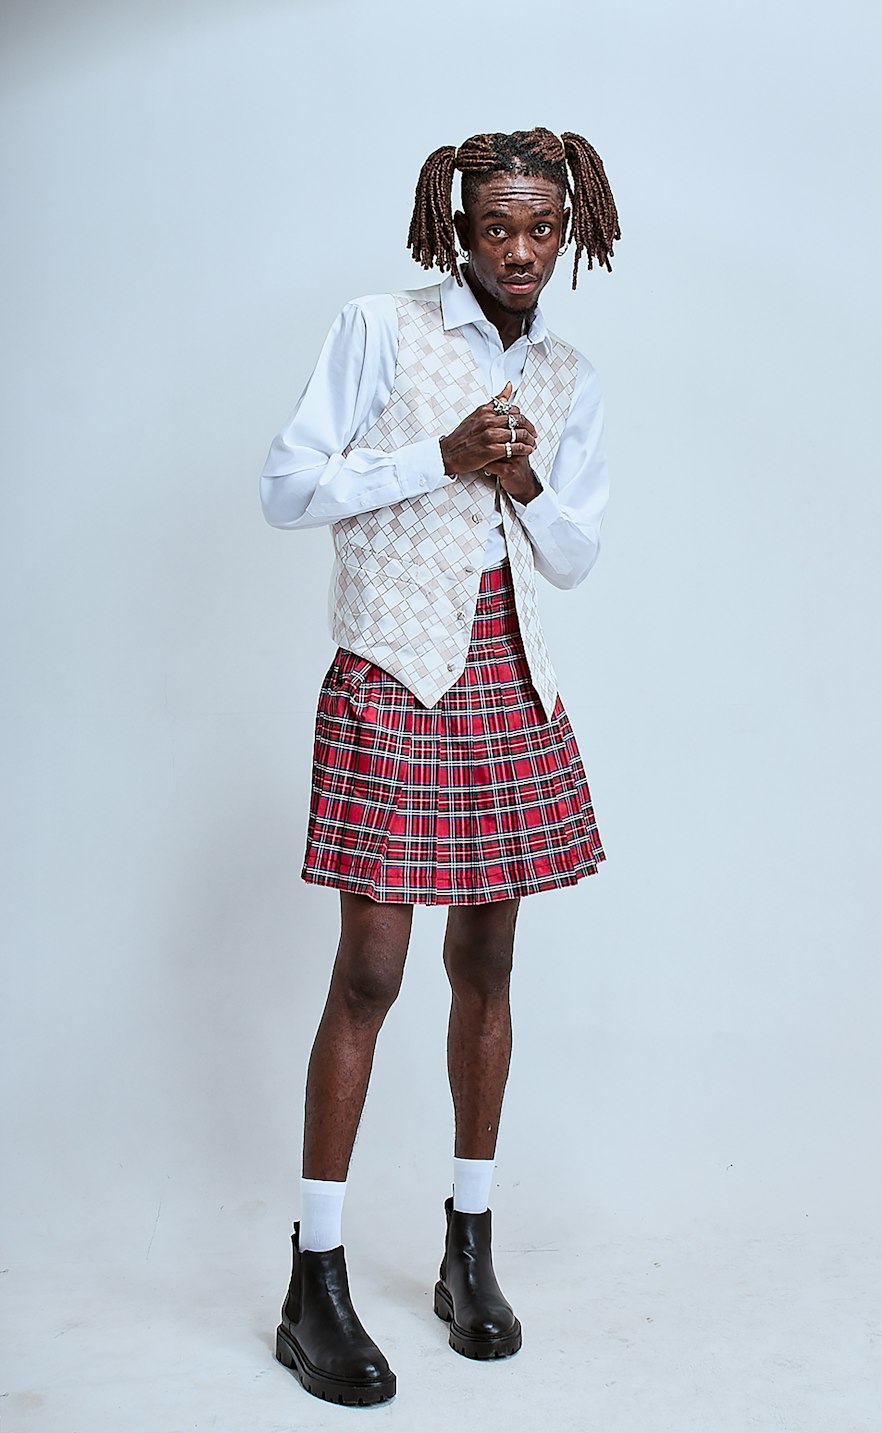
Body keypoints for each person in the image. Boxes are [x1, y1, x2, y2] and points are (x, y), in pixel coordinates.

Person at [259, 127, 620, 1407]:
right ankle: (315, 1274)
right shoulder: (379, 326)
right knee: (370, 969)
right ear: (453, 230)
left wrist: (515, 467)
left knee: (490, 962)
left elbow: (571, 554)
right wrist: (440, 455)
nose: (517, 252)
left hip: (508, 681)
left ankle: (468, 1248)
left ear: (566, 230)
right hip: (394, 673)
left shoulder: (570, 371)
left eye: (539, 230)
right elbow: (286, 486)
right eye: (493, 230)